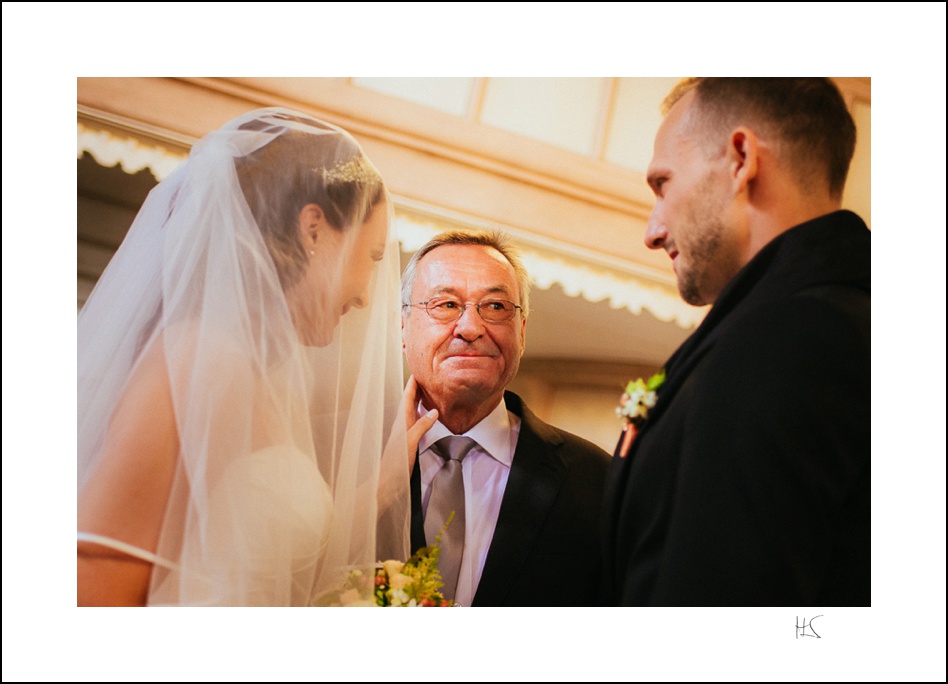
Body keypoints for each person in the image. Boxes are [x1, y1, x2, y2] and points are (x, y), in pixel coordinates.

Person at [77, 108, 432, 606]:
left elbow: (245, 547)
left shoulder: (264, 371)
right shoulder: (203, 359)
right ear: (313, 230)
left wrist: (385, 485)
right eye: (371, 258)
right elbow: (97, 584)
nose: (367, 298)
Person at [603, 78, 870, 606]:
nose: (652, 231)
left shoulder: (787, 342)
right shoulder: (835, 317)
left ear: (741, 158)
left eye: (663, 183)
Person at [401, 230, 611, 606]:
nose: (470, 328)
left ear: (523, 331)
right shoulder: (344, 456)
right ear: (403, 328)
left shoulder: (595, 480)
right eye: (446, 304)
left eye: (496, 307)